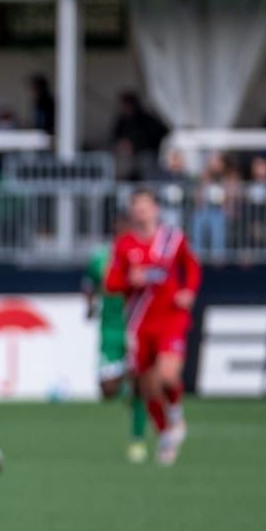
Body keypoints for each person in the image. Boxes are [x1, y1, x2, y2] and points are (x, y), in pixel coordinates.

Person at [105, 188, 200, 467]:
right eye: (137, 207)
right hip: (139, 324)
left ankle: (176, 413)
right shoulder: (124, 245)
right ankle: (165, 433)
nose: (142, 212)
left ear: (155, 209)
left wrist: (188, 290)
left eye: (146, 206)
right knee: (146, 385)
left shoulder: (172, 239)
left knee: (168, 375)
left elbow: (192, 267)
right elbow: (110, 283)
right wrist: (129, 280)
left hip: (170, 318)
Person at [82, 215, 148, 462]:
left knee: (139, 382)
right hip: (109, 328)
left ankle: (137, 439)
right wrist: (90, 305)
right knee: (107, 389)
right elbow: (89, 283)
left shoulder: (141, 255)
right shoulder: (100, 256)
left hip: (134, 325)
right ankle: (127, 391)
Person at [110, 92, 169, 180]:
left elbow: (158, 134)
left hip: (146, 154)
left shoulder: (146, 119)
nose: (124, 108)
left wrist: (134, 145)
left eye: (126, 105)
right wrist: (121, 144)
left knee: (146, 163)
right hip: (127, 157)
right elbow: (114, 137)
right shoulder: (121, 120)